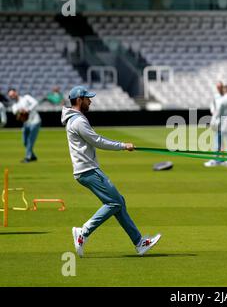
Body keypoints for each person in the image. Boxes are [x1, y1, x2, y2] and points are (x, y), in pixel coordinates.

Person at [61, 85, 161, 257]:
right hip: (88, 170)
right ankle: (82, 232)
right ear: (79, 100)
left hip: (85, 170)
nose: (90, 101)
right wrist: (123, 146)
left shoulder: (75, 118)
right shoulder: (78, 121)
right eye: (87, 98)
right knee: (114, 203)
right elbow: (98, 141)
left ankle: (139, 243)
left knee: (118, 201)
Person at [8, 88, 41, 162]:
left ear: (16, 92)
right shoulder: (14, 105)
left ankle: (28, 157)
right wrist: (21, 112)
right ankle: (33, 156)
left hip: (35, 121)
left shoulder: (26, 97)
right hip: (26, 123)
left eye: (13, 94)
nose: (12, 96)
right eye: (11, 96)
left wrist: (28, 109)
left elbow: (35, 102)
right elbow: (16, 113)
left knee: (30, 140)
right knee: (25, 141)